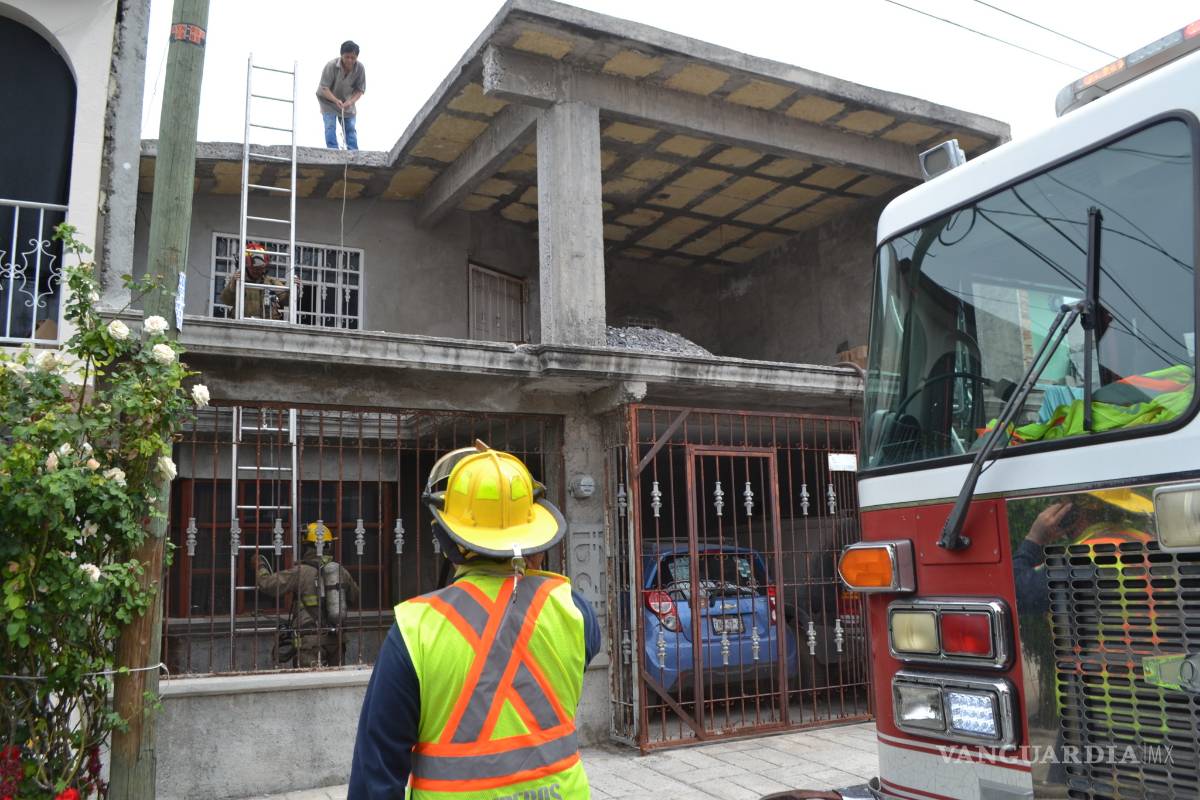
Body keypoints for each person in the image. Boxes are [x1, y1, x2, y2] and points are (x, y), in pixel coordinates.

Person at [349, 441, 600, 799]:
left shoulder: (415, 629)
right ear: (535, 539)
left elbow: (376, 775)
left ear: (448, 543)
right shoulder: (575, 611)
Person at [256, 522, 361, 667]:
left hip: (310, 644)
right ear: (328, 546)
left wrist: (259, 565)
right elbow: (355, 596)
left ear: (306, 546)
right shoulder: (339, 571)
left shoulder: (301, 572)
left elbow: (267, 585)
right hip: (336, 642)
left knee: (309, 686)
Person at [219, 241, 298, 320]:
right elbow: (226, 300)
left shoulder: (271, 282)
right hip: (242, 325)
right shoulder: (238, 281)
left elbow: (287, 301)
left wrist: (295, 289)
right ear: (246, 266)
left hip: (266, 327)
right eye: (255, 269)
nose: (258, 271)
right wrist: (233, 285)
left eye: (261, 269)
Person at [317, 41, 365, 150]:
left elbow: (360, 90)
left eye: (353, 58)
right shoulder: (331, 66)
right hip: (328, 101)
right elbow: (324, 88)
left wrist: (350, 102)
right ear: (341, 55)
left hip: (347, 102)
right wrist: (335, 100)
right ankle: (333, 151)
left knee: (350, 128)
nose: (349, 60)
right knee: (330, 126)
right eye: (346, 57)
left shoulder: (360, 68)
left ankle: (353, 152)